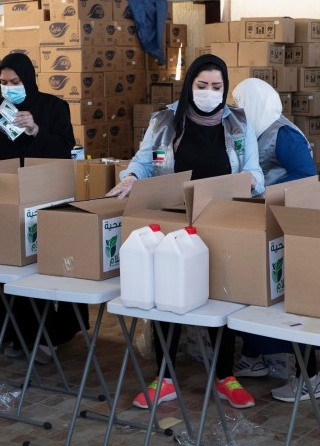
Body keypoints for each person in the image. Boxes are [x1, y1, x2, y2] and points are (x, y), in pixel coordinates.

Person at [106, 54, 265, 410]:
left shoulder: (238, 122)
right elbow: (144, 160)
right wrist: (131, 177)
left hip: (222, 216)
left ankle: (225, 376)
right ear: (190, 84)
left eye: (217, 87)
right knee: (169, 294)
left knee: (220, 293)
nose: (209, 93)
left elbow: (255, 169)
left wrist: (253, 181)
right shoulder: (165, 119)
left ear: (225, 88)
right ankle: (163, 377)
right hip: (174, 219)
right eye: (202, 86)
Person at [0, 52, 84, 364]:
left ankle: (47, 337)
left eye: (15, 82)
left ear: (28, 79)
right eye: (3, 83)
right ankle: (9, 333)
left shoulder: (54, 107)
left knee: (38, 269)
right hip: (4, 200)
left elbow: (64, 149)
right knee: (4, 269)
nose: (9, 88)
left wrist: (35, 131)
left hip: (43, 198)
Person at [230, 78, 320, 403]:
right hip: (262, 221)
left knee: (287, 300)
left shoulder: (282, 133)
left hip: (286, 225)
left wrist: (265, 187)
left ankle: (309, 377)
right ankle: (256, 358)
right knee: (254, 293)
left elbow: (305, 174)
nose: (237, 109)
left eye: (241, 102)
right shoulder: (251, 133)